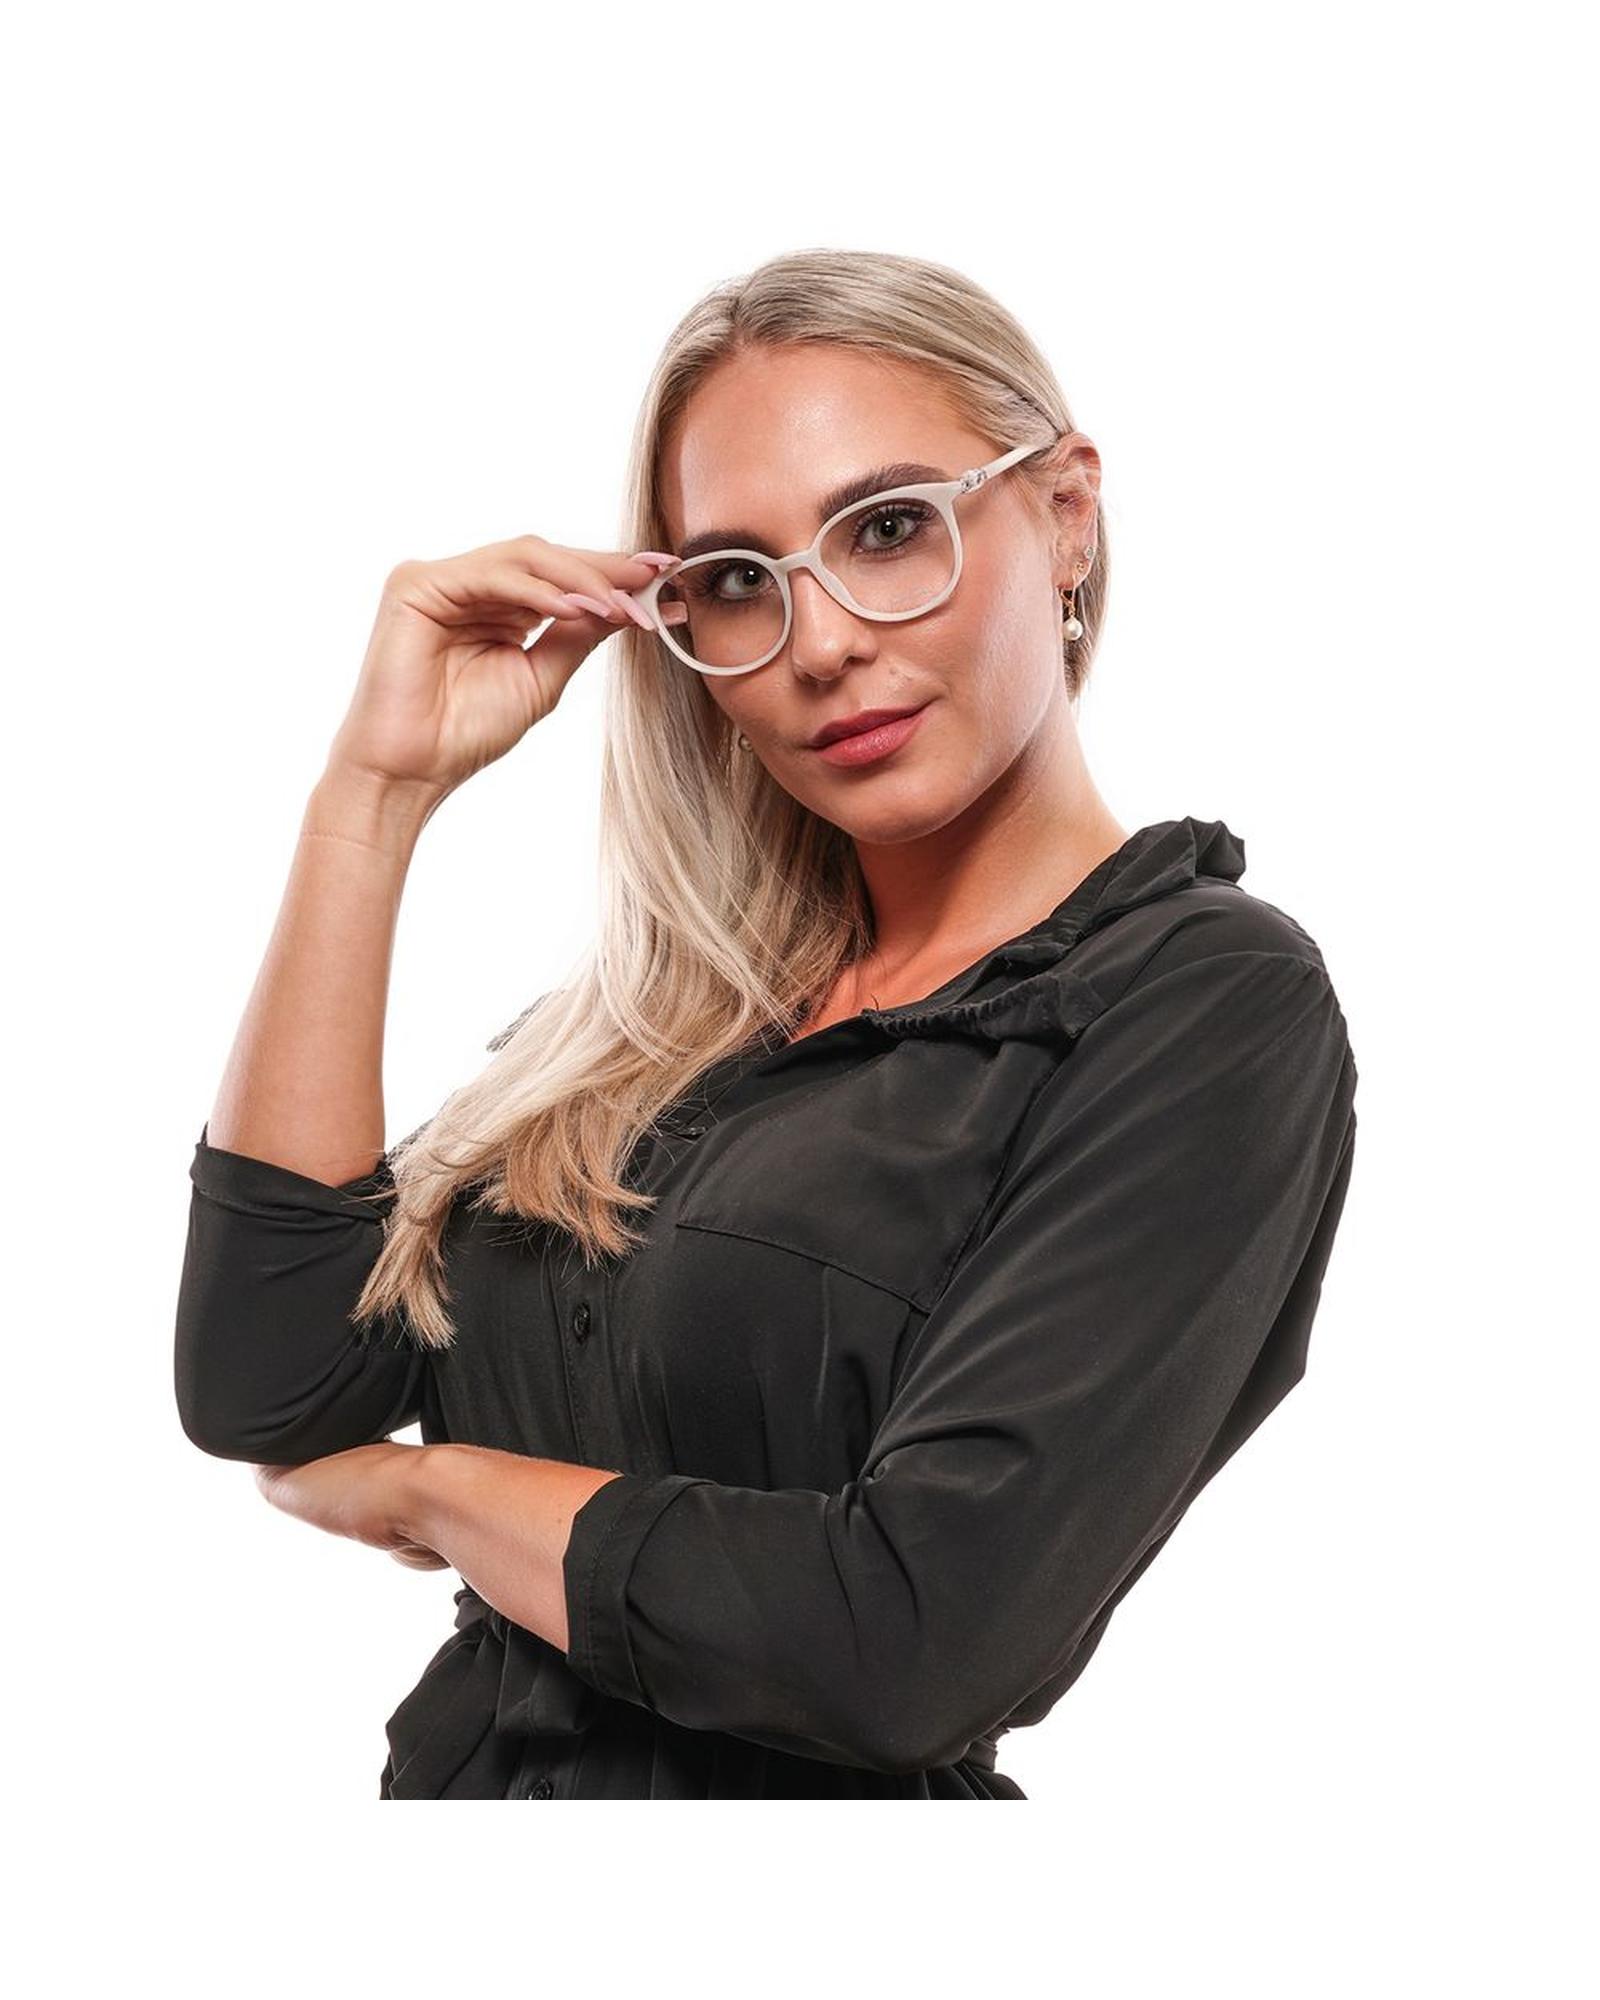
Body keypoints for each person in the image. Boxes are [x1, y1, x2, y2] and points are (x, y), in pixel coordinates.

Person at [173, 247, 1359, 1799]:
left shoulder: (1200, 1003)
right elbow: (267, 1386)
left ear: (1067, 513)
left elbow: (911, 1642)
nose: (819, 644)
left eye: (889, 529)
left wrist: (437, 1491)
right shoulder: (671, 1019)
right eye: (739, 578)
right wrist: (373, 796)